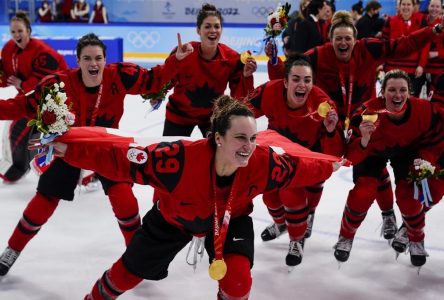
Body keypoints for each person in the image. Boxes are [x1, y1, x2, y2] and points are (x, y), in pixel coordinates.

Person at [39, 95, 342, 299]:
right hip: (172, 222)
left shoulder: (263, 163)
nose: (248, 146)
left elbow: (302, 166)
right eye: (239, 138)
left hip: (230, 221)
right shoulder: (178, 159)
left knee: (238, 283)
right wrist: (71, 149)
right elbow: (121, 158)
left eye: (252, 138)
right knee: (123, 277)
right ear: (217, 138)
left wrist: (331, 164)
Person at [0, 32, 182, 277]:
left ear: (106, 60)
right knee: (43, 202)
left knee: (124, 200)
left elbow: (153, 80)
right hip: (68, 150)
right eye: (87, 58)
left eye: (98, 58)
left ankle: (138, 256)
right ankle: (12, 250)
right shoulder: (57, 84)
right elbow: (21, 105)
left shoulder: (120, 75)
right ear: (78, 60)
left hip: (108, 149)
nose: (93, 64)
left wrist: (175, 61)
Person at [267, 10, 444, 240]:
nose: (343, 43)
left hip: (366, 121)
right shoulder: (318, 56)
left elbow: (403, 44)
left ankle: (388, 214)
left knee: (374, 168)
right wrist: (272, 60)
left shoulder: (367, 49)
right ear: (330, 40)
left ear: (355, 39)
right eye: (338, 38)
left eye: (347, 38)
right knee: (318, 168)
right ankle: (307, 215)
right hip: (331, 125)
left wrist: (432, 31)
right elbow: (286, 74)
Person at [333, 69, 443, 267]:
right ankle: (345, 237)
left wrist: (427, 160)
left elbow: (438, 138)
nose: (397, 95)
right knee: (363, 192)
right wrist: (364, 140)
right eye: (391, 90)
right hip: (372, 153)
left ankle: (416, 240)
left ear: (410, 92)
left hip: (406, 152)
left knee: (409, 197)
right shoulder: (365, 114)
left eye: (402, 90)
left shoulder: (425, 111)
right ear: (381, 92)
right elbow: (349, 156)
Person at [247, 54, 344, 268]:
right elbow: (241, 113)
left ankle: (296, 239)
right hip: (277, 153)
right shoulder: (269, 91)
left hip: (305, 160)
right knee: (270, 196)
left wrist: (330, 131)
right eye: (296, 79)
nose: (302, 85)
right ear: (285, 81)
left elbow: (335, 154)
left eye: (307, 80)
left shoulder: (324, 104)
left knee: (290, 194)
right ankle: (282, 224)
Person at [160, 3, 256, 138]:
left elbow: (239, 98)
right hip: (179, 115)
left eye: (217, 26)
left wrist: (246, 76)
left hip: (212, 118)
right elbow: (166, 78)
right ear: (198, 30)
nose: (213, 30)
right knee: (170, 155)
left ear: (221, 30)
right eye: (207, 26)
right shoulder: (184, 52)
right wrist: (157, 94)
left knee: (217, 156)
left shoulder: (232, 58)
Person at [0, 11, 68, 183]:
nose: (16, 35)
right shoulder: (9, 49)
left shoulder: (43, 53)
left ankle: (85, 175)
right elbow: (6, 74)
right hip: (29, 99)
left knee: (61, 137)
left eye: (20, 31)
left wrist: (22, 84)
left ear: (28, 31)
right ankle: (16, 167)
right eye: (13, 31)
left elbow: (46, 82)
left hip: (57, 99)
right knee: (14, 130)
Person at [382, 0, 429, 97]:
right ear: (399, 6)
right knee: (392, 98)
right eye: (403, 4)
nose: (406, 7)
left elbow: (425, 44)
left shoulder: (421, 20)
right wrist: (382, 64)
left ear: (413, 7)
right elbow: (384, 44)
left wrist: (421, 65)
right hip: (392, 68)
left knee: (411, 100)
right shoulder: (390, 21)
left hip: (413, 70)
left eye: (408, 4)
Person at [419, 0, 443, 96]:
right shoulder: (421, 21)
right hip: (418, 68)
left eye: (437, 7)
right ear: (428, 6)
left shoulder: (442, 24)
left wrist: (438, 54)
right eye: (432, 6)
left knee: (433, 98)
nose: (434, 9)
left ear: (441, 9)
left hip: (437, 70)